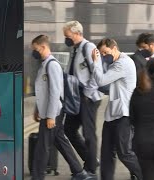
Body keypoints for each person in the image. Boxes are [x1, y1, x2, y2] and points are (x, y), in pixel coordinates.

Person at [31, 35, 92, 180]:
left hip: (53, 113)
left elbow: (55, 92)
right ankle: (79, 172)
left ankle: (37, 177)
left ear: (44, 47)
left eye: (36, 49)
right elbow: (42, 91)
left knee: (42, 147)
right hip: (47, 112)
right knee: (60, 141)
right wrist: (36, 109)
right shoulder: (44, 64)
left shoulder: (52, 65)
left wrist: (51, 115)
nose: (34, 52)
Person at [91, 38, 143, 180]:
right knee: (106, 153)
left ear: (114, 48)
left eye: (105, 52)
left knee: (124, 153)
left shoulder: (123, 63)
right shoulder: (115, 63)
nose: (103, 56)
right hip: (112, 115)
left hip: (123, 115)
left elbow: (101, 80)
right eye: (101, 54)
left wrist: (95, 61)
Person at [62, 20, 102, 177]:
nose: (66, 38)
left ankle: (91, 169)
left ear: (77, 33)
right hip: (75, 97)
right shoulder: (75, 49)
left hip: (88, 98)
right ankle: (91, 159)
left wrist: (87, 94)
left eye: (68, 35)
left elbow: (97, 74)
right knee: (69, 129)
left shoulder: (89, 48)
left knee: (89, 134)